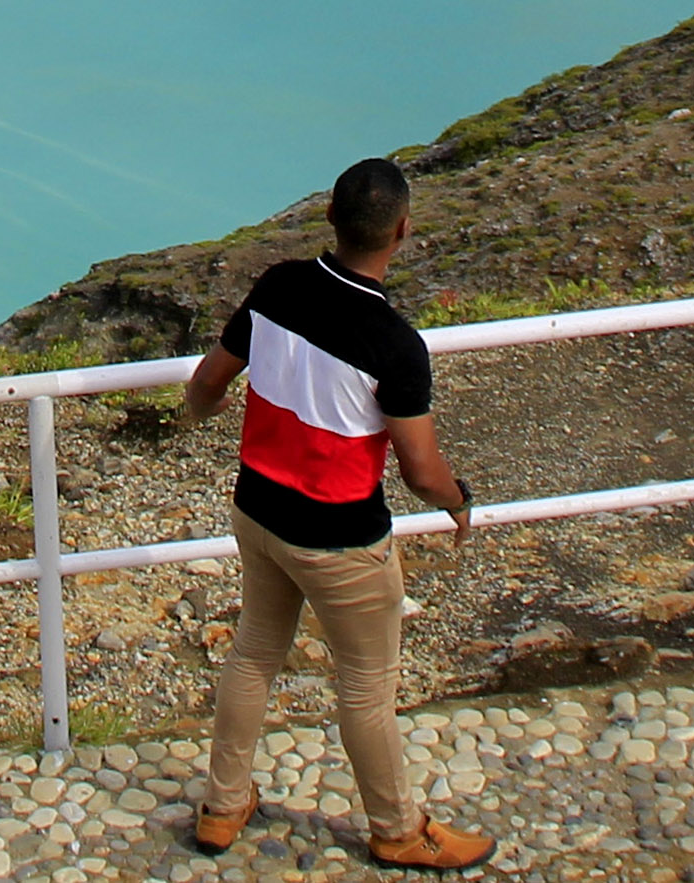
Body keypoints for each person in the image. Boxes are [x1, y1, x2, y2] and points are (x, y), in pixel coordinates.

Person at [174, 156, 494, 871]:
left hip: (257, 511)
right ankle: (397, 829)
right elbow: (420, 469)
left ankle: (223, 806)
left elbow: (208, 383)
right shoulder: (395, 345)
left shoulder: (278, 286)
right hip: (341, 538)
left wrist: (194, 415)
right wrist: (459, 499)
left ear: (329, 217)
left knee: (255, 652)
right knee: (367, 688)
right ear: (402, 231)